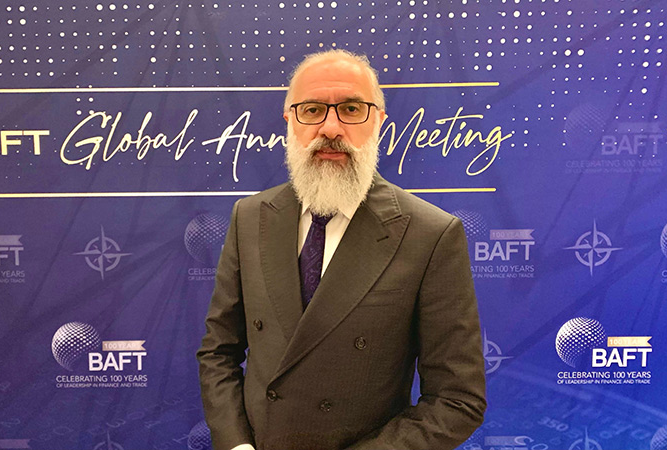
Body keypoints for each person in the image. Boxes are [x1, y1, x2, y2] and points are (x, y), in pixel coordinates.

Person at [197, 49, 486, 450]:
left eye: (351, 109)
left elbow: (457, 401)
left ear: (378, 121)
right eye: (312, 110)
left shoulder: (431, 234)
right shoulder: (249, 217)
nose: (330, 128)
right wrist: (236, 444)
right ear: (290, 121)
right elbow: (218, 352)